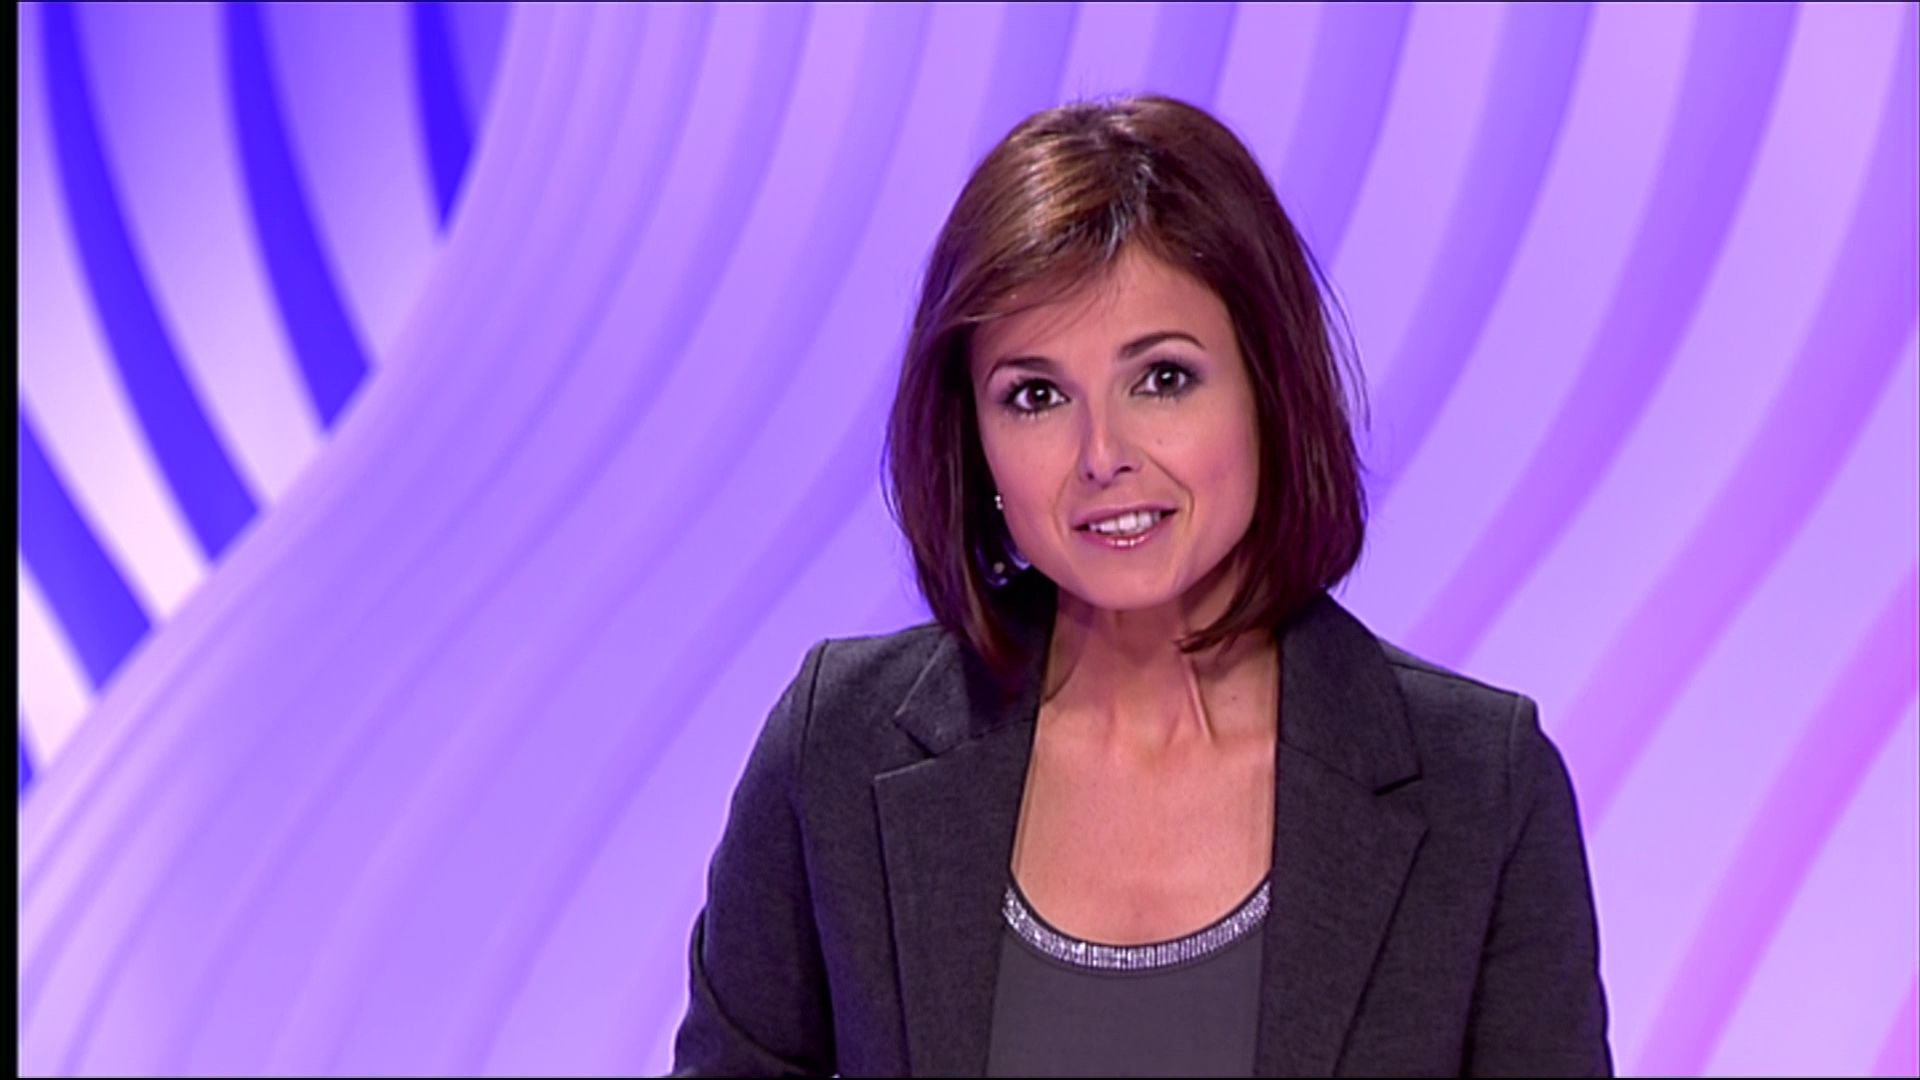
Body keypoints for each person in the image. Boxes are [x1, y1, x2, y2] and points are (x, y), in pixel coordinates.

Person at [671, 95, 1611, 1078]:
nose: (1103, 455)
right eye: (1036, 395)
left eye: (1162, 378)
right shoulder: (838, 749)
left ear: (1268, 387)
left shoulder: (1481, 789)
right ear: (974, 439)